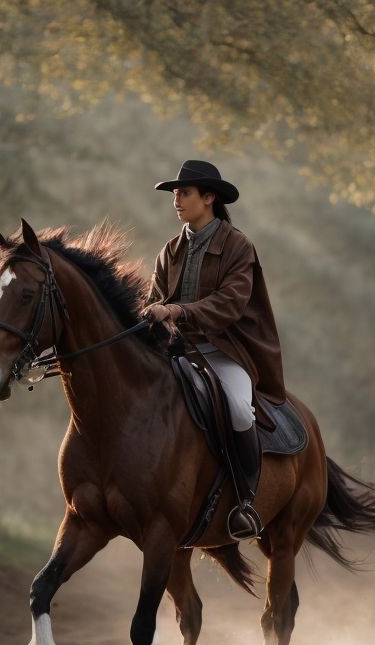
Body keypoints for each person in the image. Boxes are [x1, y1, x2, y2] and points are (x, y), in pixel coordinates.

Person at [138, 160, 287, 541]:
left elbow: (230, 303)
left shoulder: (238, 246)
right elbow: (155, 299)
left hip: (225, 351)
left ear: (208, 198)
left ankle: (246, 503)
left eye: (183, 193)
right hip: (178, 351)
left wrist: (177, 310)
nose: (176, 201)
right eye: (174, 194)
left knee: (239, 408)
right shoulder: (169, 250)